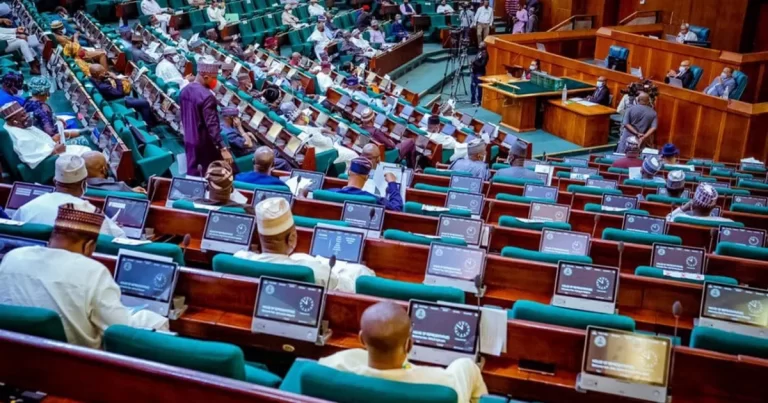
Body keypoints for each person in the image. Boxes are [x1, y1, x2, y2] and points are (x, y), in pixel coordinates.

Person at [0, 203, 168, 349]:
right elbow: (121, 330)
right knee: (156, 322)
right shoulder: (92, 272)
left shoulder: (14, 257)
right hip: (73, 367)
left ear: (52, 237)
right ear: (89, 246)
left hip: (12, 358)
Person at [319, 301, 488, 403]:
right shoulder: (444, 387)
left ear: (362, 339)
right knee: (465, 365)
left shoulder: (330, 366)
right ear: (409, 344)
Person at [234, 197, 375, 292]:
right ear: (292, 238)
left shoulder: (238, 259)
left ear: (260, 236)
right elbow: (351, 286)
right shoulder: (315, 272)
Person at [12, 154, 125, 237]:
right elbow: (119, 239)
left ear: (54, 181)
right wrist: (112, 228)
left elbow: (13, 231)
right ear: (83, 183)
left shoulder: (28, 207)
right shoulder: (93, 215)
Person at [180, 61, 234, 176]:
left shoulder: (184, 90)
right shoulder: (207, 96)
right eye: (214, 78)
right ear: (206, 77)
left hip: (189, 139)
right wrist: (223, 148)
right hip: (204, 144)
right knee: (213, 175)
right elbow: (212, 126)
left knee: (193, 174)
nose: (216, 81)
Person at [1, 101, 78, 169]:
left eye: (25, 113)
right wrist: (54, 151)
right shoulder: (21, 139)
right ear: (14, 121)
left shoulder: (16, 126)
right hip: (51, 161)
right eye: (23, 115)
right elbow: (32, 158)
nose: (27, 116)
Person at [24, 77, 88, 146]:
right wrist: (72, 134)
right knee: (83, 141)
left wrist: (54, 118)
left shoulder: (27, 101)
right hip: (46, 144)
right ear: (45, 92)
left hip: (35, 137)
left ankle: (79, 132)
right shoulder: (43, 109)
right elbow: (53, 136)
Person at [89, 64, 155, 127]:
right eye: (103, 72)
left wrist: (105, 78)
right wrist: (116, 78)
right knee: (145, 103)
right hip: (118, 101)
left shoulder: (92, 79)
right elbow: (120, 93)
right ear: (99, 74)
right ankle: (149, 125)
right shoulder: (103, 87)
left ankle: (151, 119)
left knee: (139, 101)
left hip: (112, 97)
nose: (106, 72)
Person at [328, 157, 403, 211]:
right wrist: (392, 183)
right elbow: (396, 208)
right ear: (367, 177)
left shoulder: (328, 193)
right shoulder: (373, 199)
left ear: (348, 172)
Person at [666, 183, 733, 223]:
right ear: (714, 206)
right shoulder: (727, 222)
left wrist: (683, 208)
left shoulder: (679, 218)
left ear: (692, 203)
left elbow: (667, 218)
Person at [470, 42, 488, 106]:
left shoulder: (485, 54)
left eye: (481, 45)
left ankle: (479, 101)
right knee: (472, 86)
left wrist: (474, 62)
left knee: (479, 87)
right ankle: (473, 100)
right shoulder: (479, 52)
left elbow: (482, 65)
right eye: (479, 44)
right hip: (474, 71)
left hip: (480, 73)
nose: (479, 46)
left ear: (484, 46)